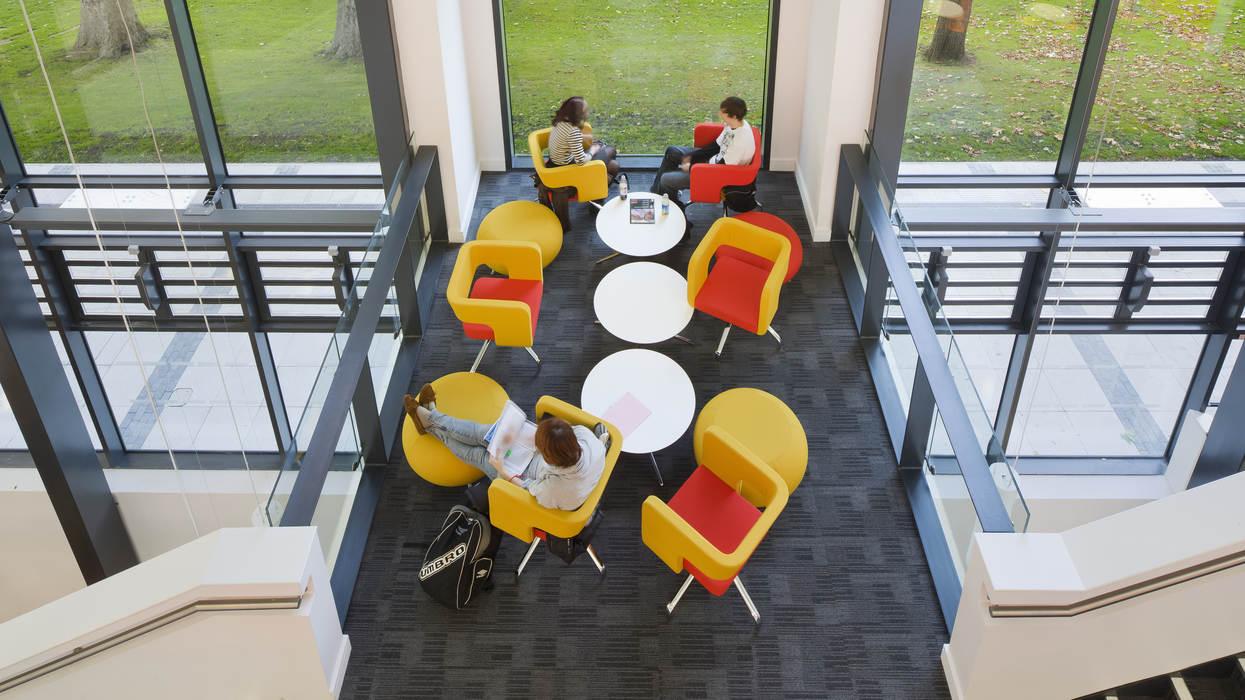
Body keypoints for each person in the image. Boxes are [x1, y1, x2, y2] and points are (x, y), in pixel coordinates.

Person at [405, 386, 609, 511]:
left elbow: (528, 489)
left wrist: (502, 470)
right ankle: (431, 419)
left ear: (550, 457)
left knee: (478, 454)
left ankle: (429, 420)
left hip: (522, 475)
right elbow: (570, 438)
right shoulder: (588, 440)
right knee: (483, 434)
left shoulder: (557, 489)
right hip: (537, 458)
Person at [650, 96, 756, 216]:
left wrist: (691, 167)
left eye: (724, 114)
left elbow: (720, 170)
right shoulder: (735, 125)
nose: (720, 115)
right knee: (672, 151)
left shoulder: (740, 142)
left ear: (734, 116)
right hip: (711, 163)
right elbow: (715, 146)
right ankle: (657, 194)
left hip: (713, 175)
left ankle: (678, 212)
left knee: (665, 180)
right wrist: (691, 156)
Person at [547, 96, 620, 179]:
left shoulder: (560, 122)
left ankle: (599, 173)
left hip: (557, 163)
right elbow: (581, 161)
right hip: (567, 168)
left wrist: (583, 137)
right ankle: (591, 177)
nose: (588, 113)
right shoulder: (573, 131)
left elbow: (565, 139)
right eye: (586, 111)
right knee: (611, 150)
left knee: (614, 165)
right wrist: (593, 151)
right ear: (578, 114)